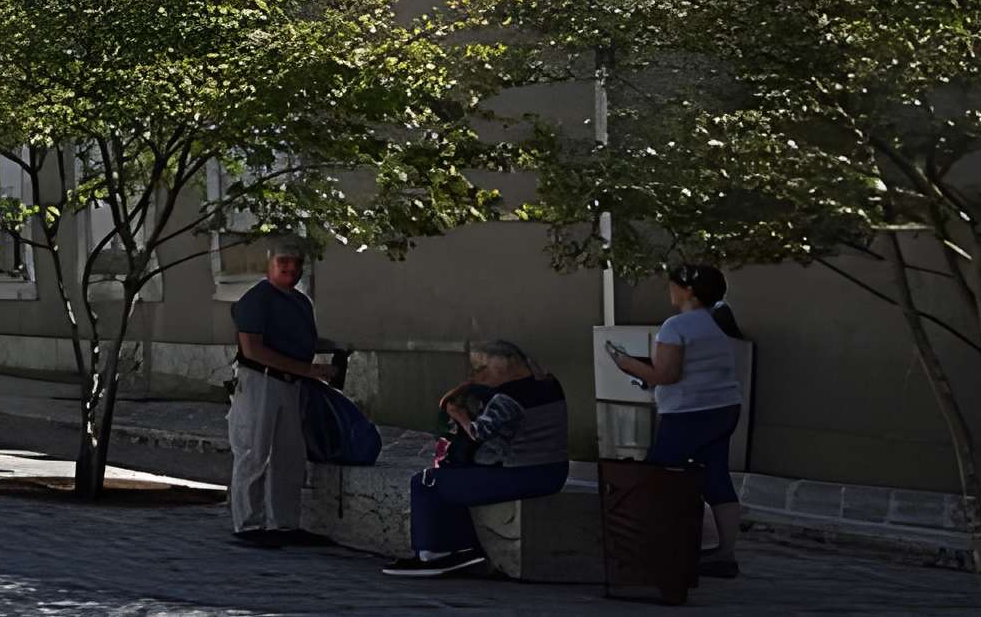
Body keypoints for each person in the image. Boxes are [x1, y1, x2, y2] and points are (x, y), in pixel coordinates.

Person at [380, 340, 572, 579]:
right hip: (553, 472)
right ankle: (463, 549)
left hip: (522, 475)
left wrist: (458, 414)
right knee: (456, 477)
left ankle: (435, 554)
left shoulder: (510, 397)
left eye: (483, 367)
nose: (476, 375)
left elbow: (480, 432)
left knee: (428, 481)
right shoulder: (550, 385)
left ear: (506, 365)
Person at [605, 262, 747, 579]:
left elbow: (666, 375)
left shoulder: (676, 326)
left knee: (657, 476)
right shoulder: (716, 324)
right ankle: (725, 554)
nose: (669, 290)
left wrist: (626, 363)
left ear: (688, 291)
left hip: (687, 413)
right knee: (716, 479)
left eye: (673, 285)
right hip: (724, 408)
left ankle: (652, 548)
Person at [227, 241, 337, 549]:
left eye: (297, 262)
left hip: (291, 384)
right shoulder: (256, 299)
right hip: (259, 381)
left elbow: (298, 341)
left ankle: (285, 524)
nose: (291, 267)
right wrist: (309, 370)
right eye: (284, 260)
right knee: (254, 451)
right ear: (270, 261)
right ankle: (248, 525)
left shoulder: (301, 302)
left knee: (289, 456)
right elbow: (253, 349)